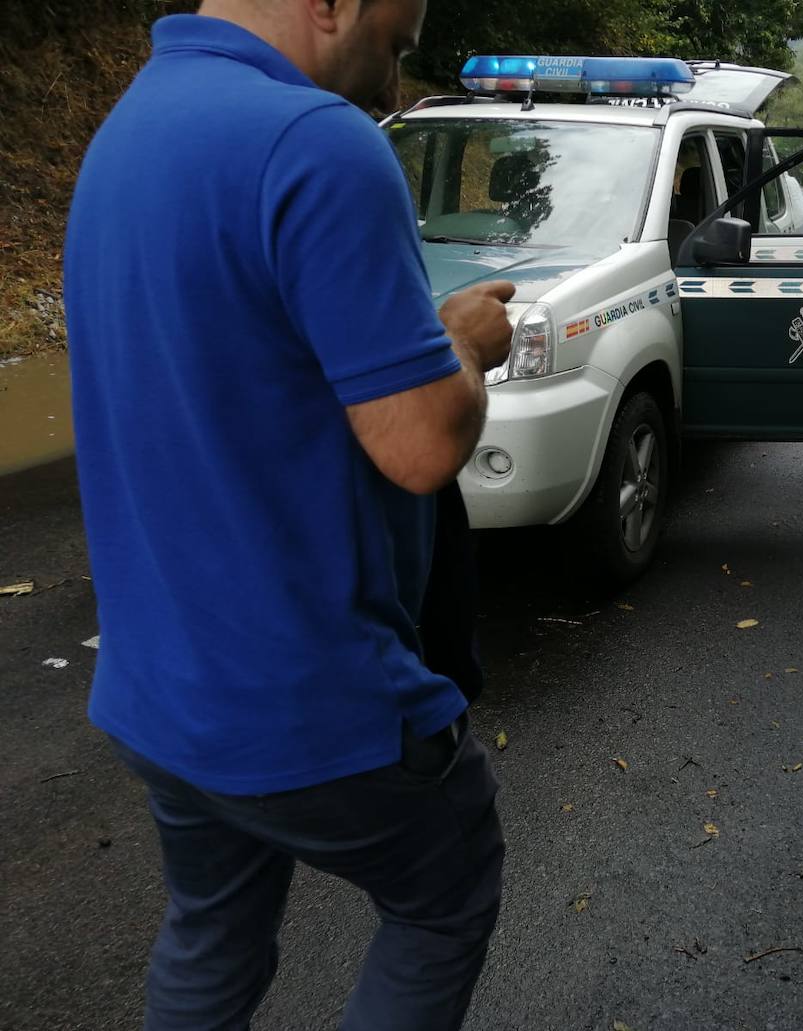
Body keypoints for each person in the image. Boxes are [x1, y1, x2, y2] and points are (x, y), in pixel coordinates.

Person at [63, 2, 514, 1028]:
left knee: (211, 932)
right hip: (310, 705)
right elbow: (424, 446)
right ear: (333, 4)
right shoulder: (318, 142)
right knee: (445, 892)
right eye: (396, 47)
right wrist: (464, 345)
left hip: (158, 695)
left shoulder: (128, 129)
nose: (396, 88)